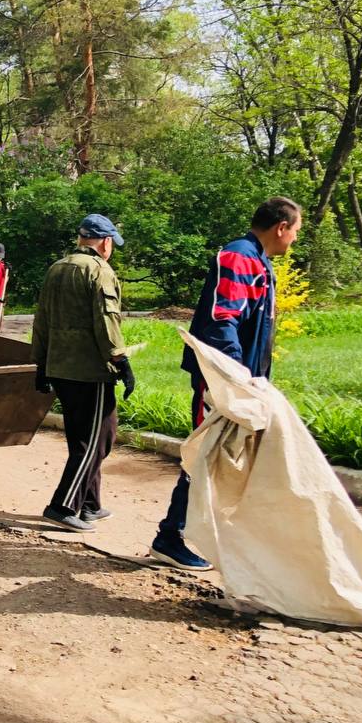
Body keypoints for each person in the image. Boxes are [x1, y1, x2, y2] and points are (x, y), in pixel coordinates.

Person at [149, 196, 304, 571]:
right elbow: (223, 320)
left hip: (242, 382)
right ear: (281, 227)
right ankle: (170, 537)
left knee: (224, 458)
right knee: (206, 455)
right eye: (296, 231)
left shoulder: (259, 262)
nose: (295, 240)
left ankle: (212, 536)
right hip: (222, 383)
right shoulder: (239, 257)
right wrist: (235, 379)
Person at [30, 214, 134, 532]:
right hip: (89, 370)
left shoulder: (57, 268)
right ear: (104, 242)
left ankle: (89, 505)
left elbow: (42, 320)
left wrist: (41, 364)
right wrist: (120, 361)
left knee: (83, 439)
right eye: (111, 244)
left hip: (60, 368)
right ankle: (63, 505)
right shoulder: (100, 271)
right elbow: (106, 320)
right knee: (99, 440)